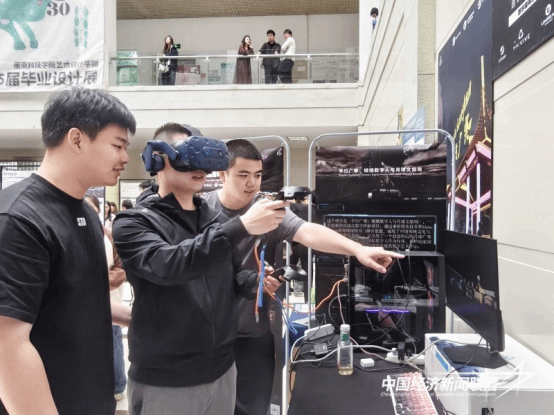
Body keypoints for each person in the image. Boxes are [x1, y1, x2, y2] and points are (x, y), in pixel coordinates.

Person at [203, 139, 404, 415]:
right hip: (207, 336)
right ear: (223, 175)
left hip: (253, 333)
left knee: (253, 408)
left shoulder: (266, 209)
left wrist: (358, 249)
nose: (252, 183)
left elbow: (307, 231)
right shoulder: (200, 210)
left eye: (258, 175)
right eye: (243, 175)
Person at [112, 123, 286, 415]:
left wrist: (256, 281)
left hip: (222, 369)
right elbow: (170, 265)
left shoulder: (213, 220)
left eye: (204, 157)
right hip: (168, 379)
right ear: (158, 159)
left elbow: (231, 275)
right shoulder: (133, 222)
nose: (200, 167)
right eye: (188, 156)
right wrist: (240, 227)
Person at [0, 87, 136, 415]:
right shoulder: (19, 218)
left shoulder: (85, 210)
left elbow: (75, 297)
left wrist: (139, 318)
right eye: (118, 145)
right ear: (76, 139)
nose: (125, 158)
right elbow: (7, 342)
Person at [85, 195, 131, 402]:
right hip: (79, 306)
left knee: (113, 342)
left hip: (110, 301)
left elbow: (121, 268)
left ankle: (118, 386)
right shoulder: (69, 232)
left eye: (92, 209)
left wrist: (97, 283)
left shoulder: (108, 235)